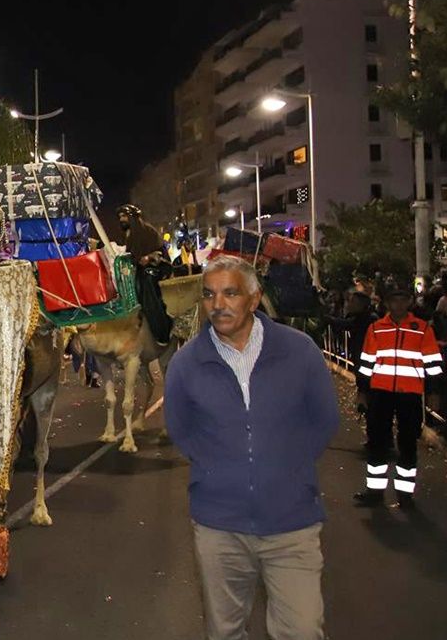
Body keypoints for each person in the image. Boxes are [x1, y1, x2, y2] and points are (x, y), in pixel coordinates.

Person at [165, 255, 339, 640]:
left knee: (302, 630)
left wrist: (285, 468)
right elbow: (181, 430)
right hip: (219, 529)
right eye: (209, 295)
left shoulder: (300, 351)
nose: (218, 304)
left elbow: (324, 421)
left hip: (292, 525)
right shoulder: (185, 365)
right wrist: (220, 470)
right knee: (224, 631)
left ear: (254, 298)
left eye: (230, 293)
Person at [353, 281, 443, 509]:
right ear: (387, 303)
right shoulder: (376, 329)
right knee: (377, 442)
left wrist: (433, 392)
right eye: (394, 299)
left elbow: (433, 364)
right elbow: (366, 365)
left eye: (403, 299)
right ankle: (375, 492)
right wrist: (362, 392)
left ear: (410, 302)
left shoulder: (422, 329)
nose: (399, 304)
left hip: (410, 394)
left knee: (408, 443)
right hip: (380, 393)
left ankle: (405, 494)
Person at [110, 204, 172, 345]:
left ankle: (161, 330)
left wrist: (148, 258)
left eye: (124, 216)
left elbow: (160, 253)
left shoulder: (148, 231)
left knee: (147, 285)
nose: (122, 219)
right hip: (138, 270)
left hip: (154, 269)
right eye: (120, 217)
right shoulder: (128, 235)